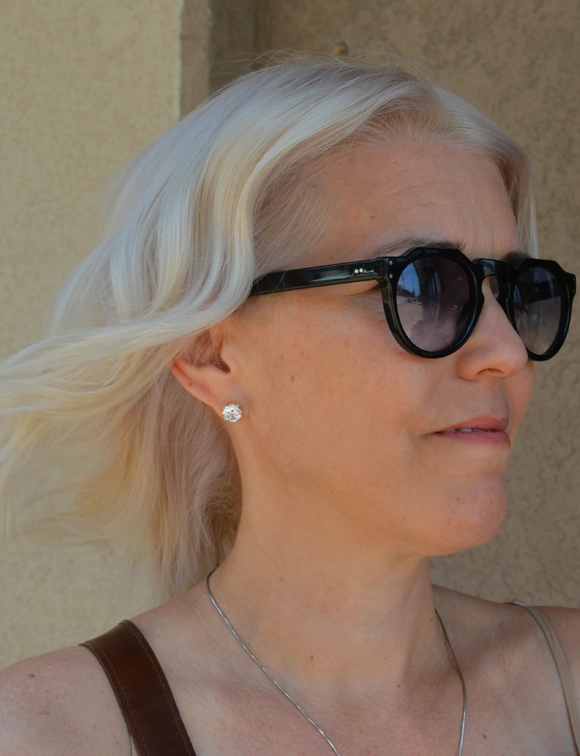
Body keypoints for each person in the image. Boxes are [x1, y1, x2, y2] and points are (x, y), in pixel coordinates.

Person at [0, 58, 579, 755]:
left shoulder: (569, 689)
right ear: (212, 356)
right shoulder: (49, 733)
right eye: (426, 286)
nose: (507, 351)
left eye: (516, 290)